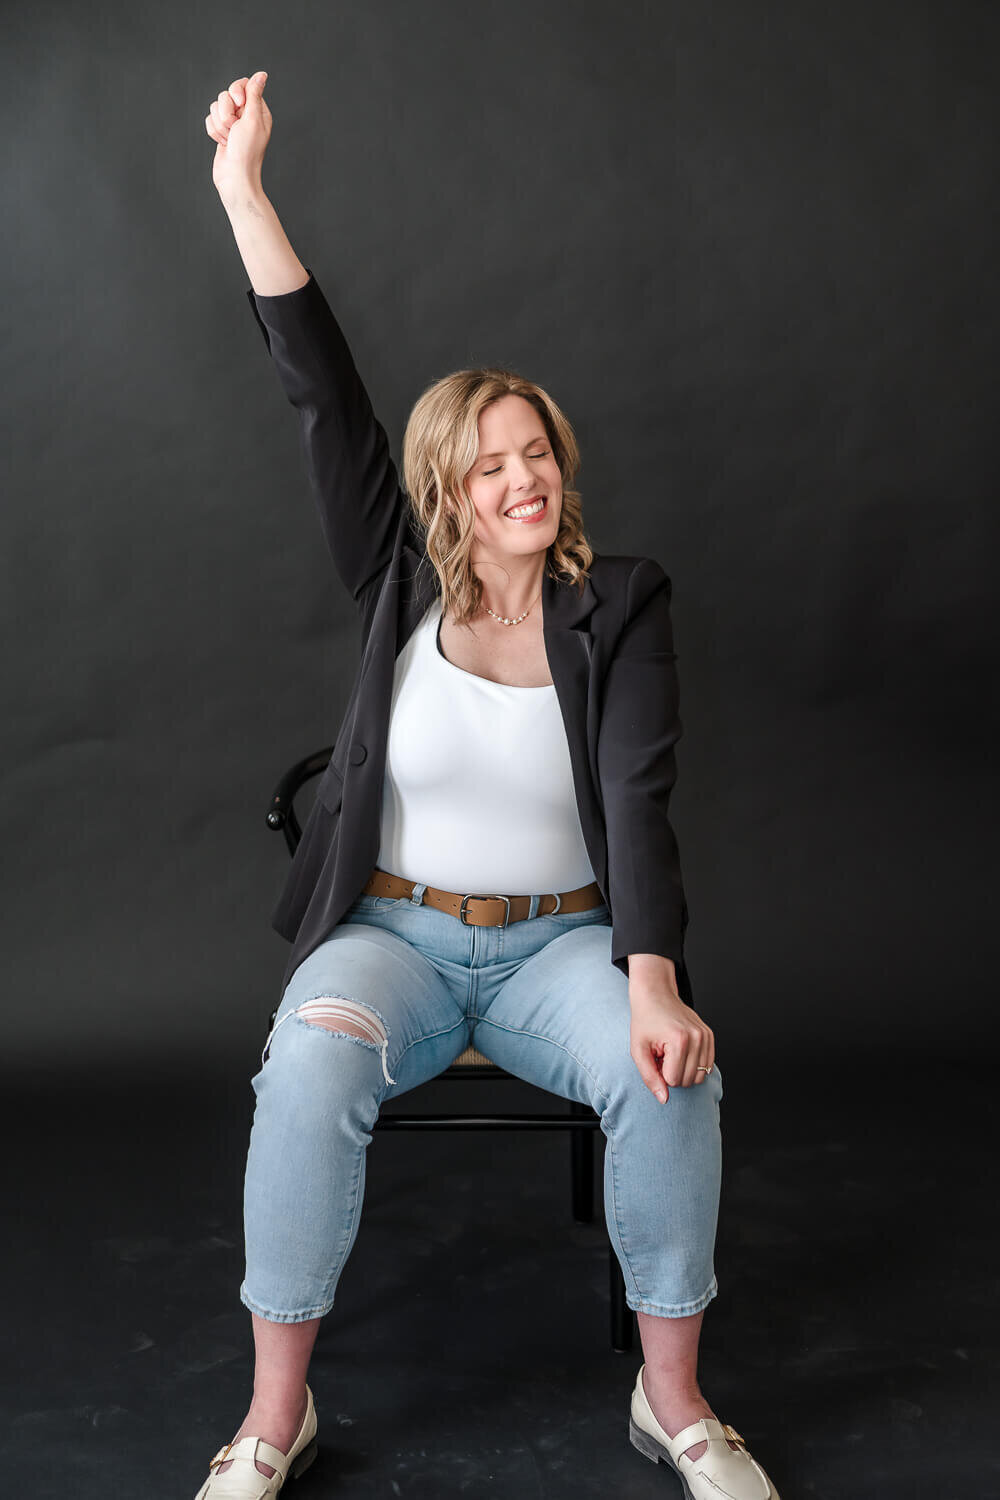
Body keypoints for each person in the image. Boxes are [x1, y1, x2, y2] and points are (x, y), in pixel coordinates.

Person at [194, 70, 781, 1500]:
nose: (522, 479)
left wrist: (652, 975)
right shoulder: (395, 585)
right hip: (391, 936)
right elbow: (323, 396)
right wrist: (244, 192)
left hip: (562, 946)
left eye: (538, 455)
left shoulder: (620, 604)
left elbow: (637, 792)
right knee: (309, 1066)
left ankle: (677, 1405)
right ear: (447, 489)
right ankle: (274, 1420)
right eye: (489, 464)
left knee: (671, 1080)